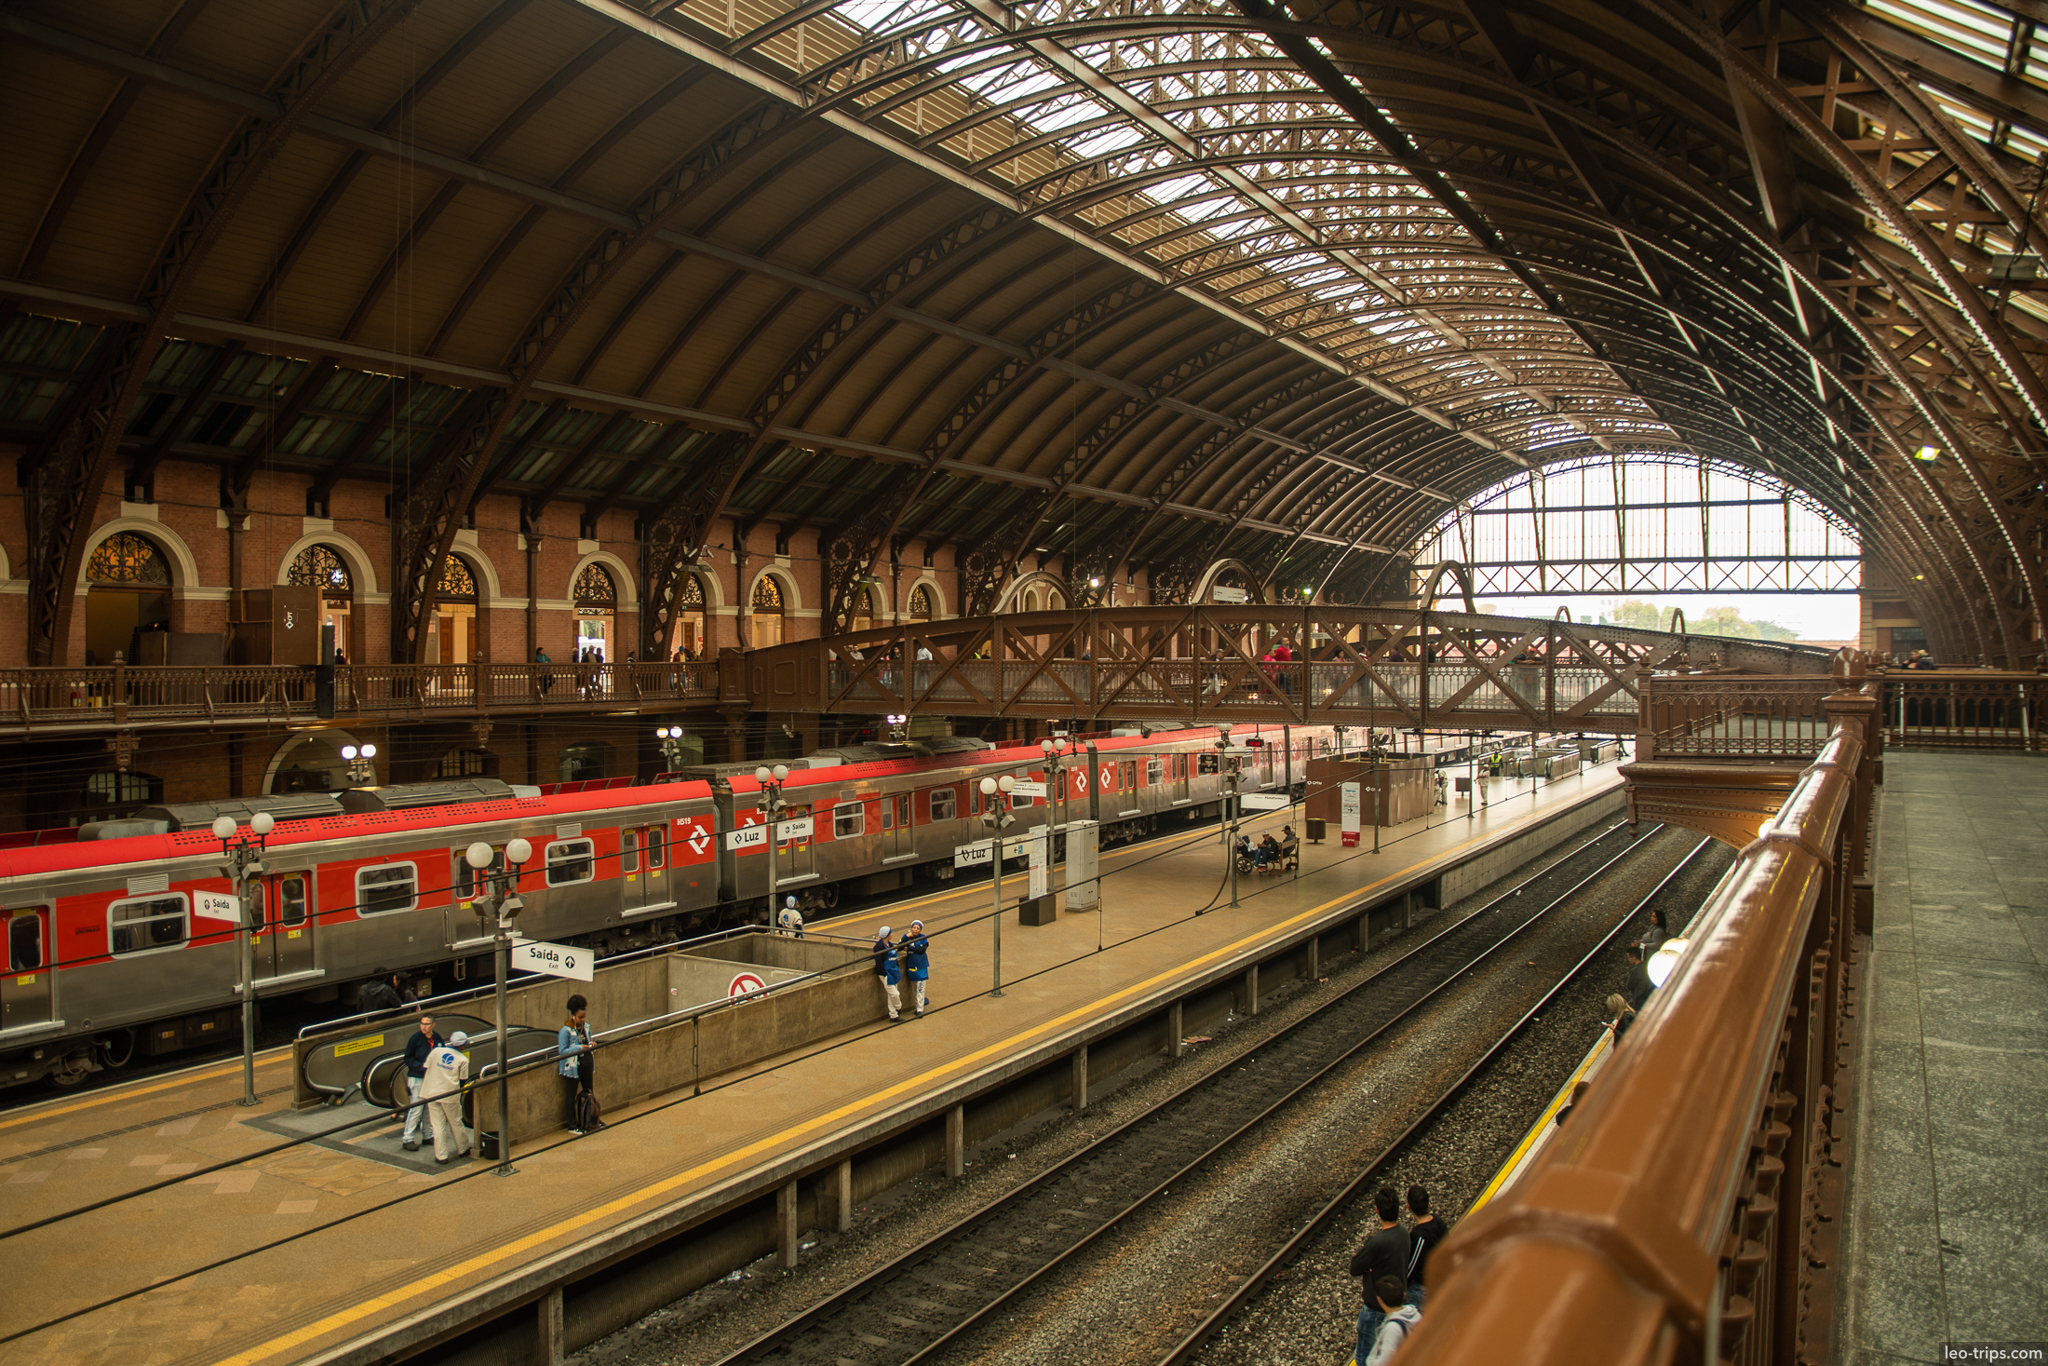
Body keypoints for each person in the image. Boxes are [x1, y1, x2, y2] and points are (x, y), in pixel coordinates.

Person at [1349, 1185, 1410, 1362]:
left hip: (1375, 1307)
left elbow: (1354, 1268)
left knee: (1364, 1355)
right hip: (1397, 1301)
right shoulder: (1404, 1233)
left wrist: (1369, 1268)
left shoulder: (1377, 1243)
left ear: (1377, 1210)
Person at [421, 1030, 472, 1164]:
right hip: (449, 1094)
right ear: (461, 1045)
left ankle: (441, 1156)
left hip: (431, 1092)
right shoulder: (462, 1060)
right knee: (455, 1121)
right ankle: (463, 1149)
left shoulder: (436, 1051)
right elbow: (462, 1081)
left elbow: (426, 1067)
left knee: (437, 1125)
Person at [558, 994, 602, 1133]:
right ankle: (572, 1125)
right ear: (573, 1016)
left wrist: (591, 1044)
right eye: (580, 1018)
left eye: (584, 1017)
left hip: (586, 1063)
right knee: (570, 1096)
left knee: (589, 1092)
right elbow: (563, 1051)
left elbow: (588, 1041)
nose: (582, 1020)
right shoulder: (565, 1031)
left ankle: (592, 1120)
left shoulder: (586, 1027)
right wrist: (579, 1048)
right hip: (572, 1068)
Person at [399, 1014, 443, 1151]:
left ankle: (427, 1135)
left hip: (431, 1078)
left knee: (429, 1107)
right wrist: (422, 1066)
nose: (424, 1026)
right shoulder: (415, 1039)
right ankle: (408, 1138)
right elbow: (408, 1058)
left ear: (433, 1025)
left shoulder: (437, 1039)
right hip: (417, 1077)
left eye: (427, 1024)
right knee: (416, 1108)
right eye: (422, 1023)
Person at [1364, 1275, 1422, 1366]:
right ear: (1404, 1295)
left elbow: (1384, 1363)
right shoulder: (1415, 1314)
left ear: (1379, 1300)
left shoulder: (1392, 1329)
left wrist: (1370, 1361)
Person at [1405, 1186, 1445, 1310]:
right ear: (1429, 1204)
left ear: (1408, 1207)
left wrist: (1403, 1285)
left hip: (1424, 1286)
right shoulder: (1438, 1221)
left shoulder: (1418, 1235)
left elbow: (1412, 1266)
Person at [901, 920, 930, 1018]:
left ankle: (919, 1009)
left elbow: (922, 950)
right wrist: (906, 938)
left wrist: (909, 948)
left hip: (921, 966)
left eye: (918, 928)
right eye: (914, 928)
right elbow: (900, 947)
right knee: (914, 988)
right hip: (912, 966)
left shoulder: (923, 938)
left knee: (920, 988)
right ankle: (917, 1005)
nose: (916, 930)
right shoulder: (907, 936)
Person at [874, 927, 903, 1022]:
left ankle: (893, 1015)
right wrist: (884, 973)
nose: (892, 934)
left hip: (893, 971)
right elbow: (879, 962)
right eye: (890, 933)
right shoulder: (879, 947)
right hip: (886, 973)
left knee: (891, 995)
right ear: (886, 935)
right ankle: (898, 1007)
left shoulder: (890, 944)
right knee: (894, 993)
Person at [1624, 942, 1654, 1012]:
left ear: (1634, 957)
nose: (1628, 960)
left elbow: (1629, 986)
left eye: (1629, 957)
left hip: (1639, 1001)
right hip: (1650, 997)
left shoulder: (1635, 971)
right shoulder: (1647, 966)